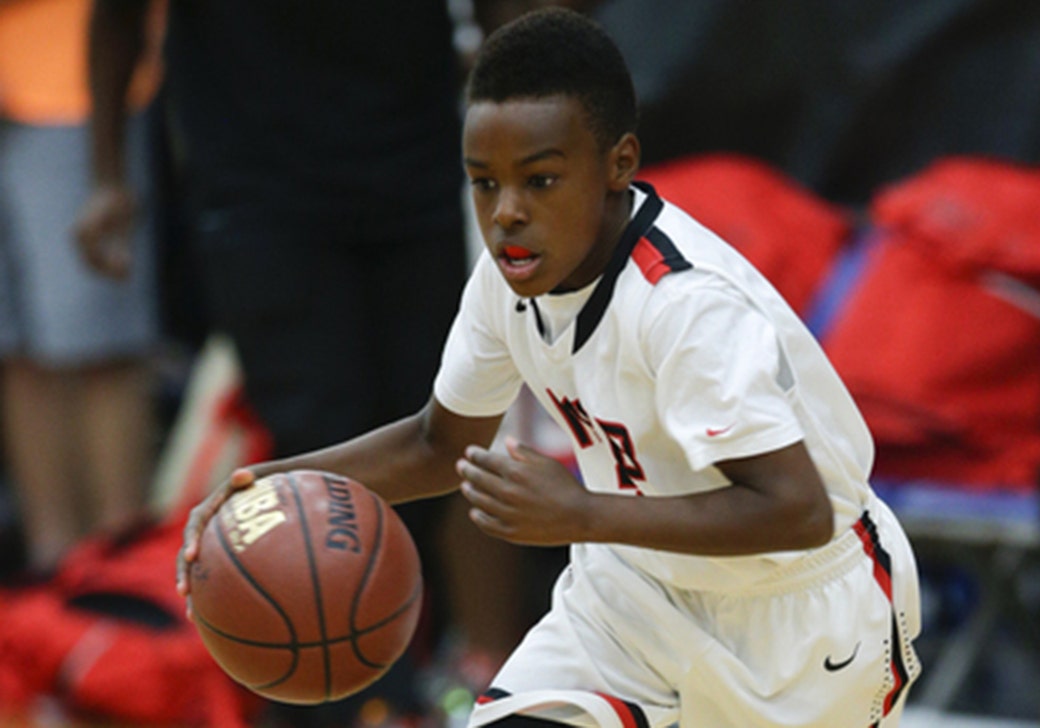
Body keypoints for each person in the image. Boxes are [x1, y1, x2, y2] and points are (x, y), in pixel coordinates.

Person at [177, 8, 922, 727]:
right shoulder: (510, 278)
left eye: (539, 181)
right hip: (634, 594)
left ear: (617, 166)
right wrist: (267, 487)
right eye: (483, 181)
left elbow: (794, 510)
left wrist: (581, 513)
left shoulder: (685, 308)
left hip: (798, 615)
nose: (505, 213)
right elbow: (437, 444)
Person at [76, 1, 577, 725]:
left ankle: (484, 677)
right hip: (257, 189)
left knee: (458, 432)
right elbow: (116, 17)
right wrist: (107, 175)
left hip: (416, 167)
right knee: (320, 433)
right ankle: (359, 698)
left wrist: (547, 125)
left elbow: (512, 16)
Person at [0, 0, 161, 577]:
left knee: (95, 341)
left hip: (68, 80)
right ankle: (54, 581)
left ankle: (121, 577)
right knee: (16, 351)